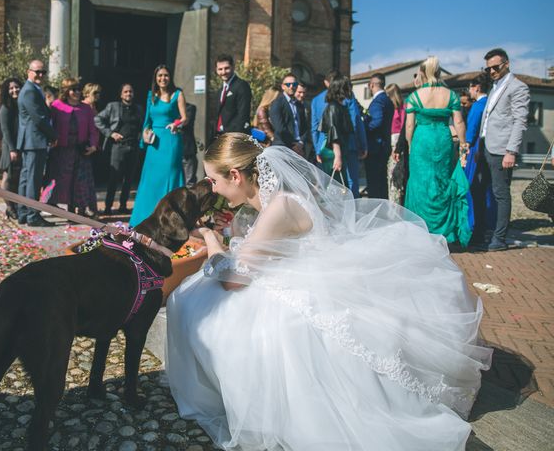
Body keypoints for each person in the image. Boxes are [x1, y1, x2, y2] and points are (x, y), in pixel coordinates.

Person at [166, 133, 491, 451]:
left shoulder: (280, 207)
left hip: (308, 288)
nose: (213, 188)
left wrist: (210, 238)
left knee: (198, 303)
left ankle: (234, 394)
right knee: (197, 298)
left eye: (213, 180)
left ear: (235, 175)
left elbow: (234, 280)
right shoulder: (268, 200)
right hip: (294, 275)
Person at [404, 56, 471, 246]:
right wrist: (463, 144)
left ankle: (421, 228)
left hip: (422, 141)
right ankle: (444, 230)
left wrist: (410, 144)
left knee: (420, 183)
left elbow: (409, 126)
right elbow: (458, 122)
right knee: (442, 181)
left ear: (423, 74)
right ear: (439, 72)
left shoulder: (414, 97)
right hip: (442, 139)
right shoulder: (451, 95)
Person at [478, 48, 530, 251]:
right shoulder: (494, 86)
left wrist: (511, 151)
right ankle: (485, 233)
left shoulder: (518, 87)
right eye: (488, 68)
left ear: (506, 64)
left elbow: (519, 121)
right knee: (483, 191)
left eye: (495, 67)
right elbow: (489, 118)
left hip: (502, 149)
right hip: (486, 146)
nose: (491, 71)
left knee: (501, 193)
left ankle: (499, 239)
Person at [130, 64, 187, 226]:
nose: (163, 78)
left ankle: (172, 216)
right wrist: (145, 133)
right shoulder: (151, 96)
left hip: (170, 139)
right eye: (160, 75)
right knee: (150, 179)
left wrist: (176, 123)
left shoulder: (178, 94)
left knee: (170, 175)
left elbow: (184, 117)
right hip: (154, 143)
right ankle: (145, 216)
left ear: (170, 77)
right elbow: (147, 120)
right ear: (156, 78)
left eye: (166, 75)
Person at [43, 78, 99, 217]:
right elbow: (49, 125)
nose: (77, 92)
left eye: (79, 89)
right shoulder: (56, 106)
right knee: (62, 181)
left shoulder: (86, 108)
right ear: (66, 91)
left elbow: (93, 129)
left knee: (79, 182)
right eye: (73, 89)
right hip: (61, 151)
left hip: (80, 150)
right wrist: (51, 140)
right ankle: (51, 206)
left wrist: (93, 145)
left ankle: (78, 209)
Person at [17, 59, 57, 227]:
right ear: (29, 72)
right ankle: (32, 215)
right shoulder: (29, 91)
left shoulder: (33, 89)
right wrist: (53, 135)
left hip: (30, 141)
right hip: (34, 141)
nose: (40, 75)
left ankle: (24, 212)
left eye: (43, 72)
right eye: (37, 72)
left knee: (27, 179)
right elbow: (39, 119)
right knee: (32, 180)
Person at [95, 83, 144, 215]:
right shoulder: (113, 106)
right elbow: (97, 119)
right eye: (126, 92)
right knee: (114, 177)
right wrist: (110, 133)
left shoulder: (138, 109)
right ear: (121, 94)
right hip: (118, 146)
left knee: (129, 178)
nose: (129, 94)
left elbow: (142, 126)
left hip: (133, 147)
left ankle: (123, 205)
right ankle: (108, 207)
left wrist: (141, 137)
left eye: (131, 92)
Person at [464, 73, 495, 247]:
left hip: (476, 149)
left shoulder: (477, 107)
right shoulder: (489, 104)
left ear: (476, 87)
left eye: (470, 87)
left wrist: (466, 145)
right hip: (488, 148)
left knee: (474, 188)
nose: (469, 91)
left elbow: (472, 130)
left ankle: (476, 227)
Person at [364, 72, 394, 199]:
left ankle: (376, 213)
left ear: (371, 85)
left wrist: (364, 127)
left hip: (376, 147)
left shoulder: (378, 102)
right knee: (382, 182)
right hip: (385, 145)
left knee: (374, 183)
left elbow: (377, 121)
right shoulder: (388, 100)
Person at [320, 77, 354, 188]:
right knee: (336, 186)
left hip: (337, 151)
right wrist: (338, 156)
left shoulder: (339, 107)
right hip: (333, 152)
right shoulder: (333, 107)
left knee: (338, 186)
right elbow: (333, 133)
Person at [0, 77, 23, 220]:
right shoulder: (5, 108)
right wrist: (12, 149)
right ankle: (9, 206)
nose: (14, 90)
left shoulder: (21, 105)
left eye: (17, 87)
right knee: (7, 177)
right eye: (11, 88)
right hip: (10, 146)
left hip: (21, 146)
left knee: (17, 178)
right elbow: (5, 130)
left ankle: (16, 206)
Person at [269, 73, 307, 157]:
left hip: (299, 148)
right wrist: (294, 145)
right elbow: (280, 128)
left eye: (294, 84)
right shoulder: (277, 103)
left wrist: (300, 143)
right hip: (283, 146)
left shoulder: (299, 105)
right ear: (283, 86)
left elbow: (305, 128)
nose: (291, 86)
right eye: (288, 84)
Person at [214, 54, 252, 136]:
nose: (223, 72)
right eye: (220, 69)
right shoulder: (220, 90)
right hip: (220, 134)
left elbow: (243, 114)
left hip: (234, 136)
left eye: (226, 68)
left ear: (233, 67)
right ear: (216, 70)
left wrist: (235, 136)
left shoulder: (241, 86)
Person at [311, 69, 341, 163]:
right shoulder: (345, 97)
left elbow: (314, 128)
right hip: (343, 145)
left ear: (326, 82)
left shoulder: (316, 100)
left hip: (322, 145)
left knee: (324, 177)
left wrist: (317, 149)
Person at [386, 83, 406, 203]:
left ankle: (395, 203)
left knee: (396, 175)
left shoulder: (402, 108)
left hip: (397, 141)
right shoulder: (391, 108)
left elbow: (404, 126)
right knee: (390, 175)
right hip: (390, 141)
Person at [182, 102, 198, 186]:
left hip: (186, 149)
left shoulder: (189, 108)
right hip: (170, 151)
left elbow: (185, 123)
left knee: (189, 183)